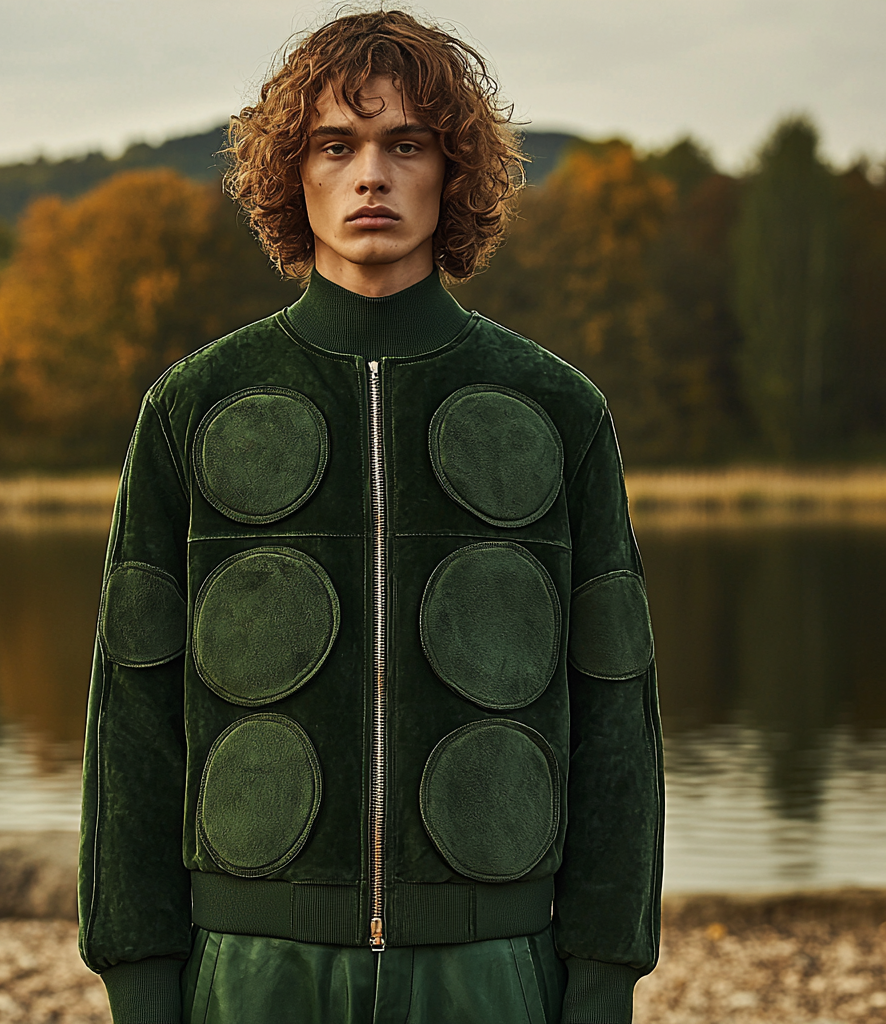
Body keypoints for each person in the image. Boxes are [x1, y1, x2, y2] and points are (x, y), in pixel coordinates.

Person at [78, 9, 664, 1024]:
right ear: (291, 174)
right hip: (252, 965)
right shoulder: (194, 406)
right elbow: (132, 720)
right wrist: (140, 975)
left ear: (454, 172)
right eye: (335, 144)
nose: (370, 175)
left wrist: (603, 973)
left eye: (406, 143)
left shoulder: (556, 409)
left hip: (491, 963)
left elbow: (616, 717)